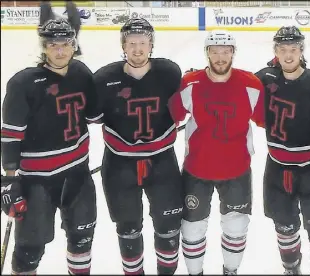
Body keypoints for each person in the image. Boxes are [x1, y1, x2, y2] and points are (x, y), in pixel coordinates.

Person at [0, 18, 99, 275]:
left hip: (78, 175)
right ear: (43, 47)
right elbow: (11, 135)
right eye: (52, 45)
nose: (59, 50)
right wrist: (10, 180)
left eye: (65, 44)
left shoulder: (81, 73)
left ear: (73, 45)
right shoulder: (23, 84)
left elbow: (95, 114)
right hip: (37, 181)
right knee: (29, 249)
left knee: (82, 240)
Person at [168, 29, 265, 275]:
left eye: (225, 51)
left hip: (237, 171)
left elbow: (266, 120)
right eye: (215, 51)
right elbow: (173, 116)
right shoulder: (191, 83)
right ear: (207, 53)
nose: (220, 57)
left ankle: (230, 271)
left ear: (233, 53)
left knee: (236, 227)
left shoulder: (251, 84)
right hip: (197, 170)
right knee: (192, 228)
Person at [93, 18, 183, 275]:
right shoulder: (104, 79)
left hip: (162, 163)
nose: (137, 49)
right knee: (128, 228)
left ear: (151, 44)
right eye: (131, 43)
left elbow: (186, 104)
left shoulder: (169, 73)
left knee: (168, 226)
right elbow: (86, 116)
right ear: (123, 45)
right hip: (119, 167)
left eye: (143, 43)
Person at [254, 26, 310, 275]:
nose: (288, 55)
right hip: (277, 168)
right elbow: (235, 90)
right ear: (275, 52)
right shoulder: (265, 78)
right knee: (284, 227)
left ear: (301, 50)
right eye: (282, 49)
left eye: (293, 49)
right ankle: (291, 269)